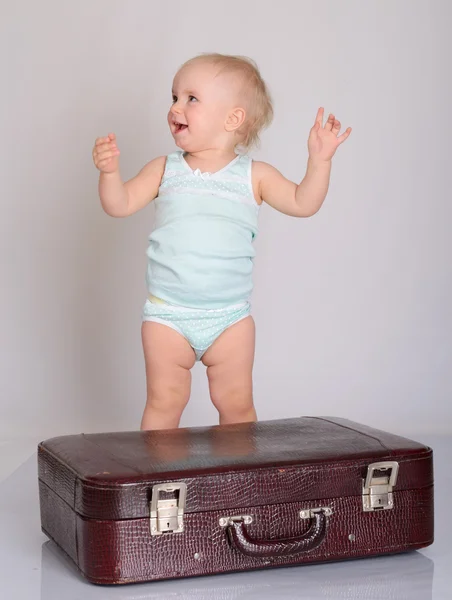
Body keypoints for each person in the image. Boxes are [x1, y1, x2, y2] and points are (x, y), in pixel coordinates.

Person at [92, 53, 351, 431]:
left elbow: (302, 202)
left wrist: (320, 162)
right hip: (168, 316)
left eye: (191, 99)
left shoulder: (254, 176)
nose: (175, 107)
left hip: (229, 320)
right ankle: (158, 483)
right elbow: (119, 204)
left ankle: (240, 481)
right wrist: (110, 174)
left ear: (232, 119)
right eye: (174, 97)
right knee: (164, 403)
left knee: (237, 407)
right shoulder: (165, 169)